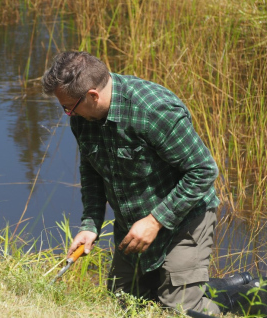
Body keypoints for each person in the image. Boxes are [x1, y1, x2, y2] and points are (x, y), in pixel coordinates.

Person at [41, 51, 265, 315]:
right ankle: (217, 286)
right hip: (134, 224)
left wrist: (155, 221)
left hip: (185, 219)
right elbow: (91, 171)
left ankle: (247, 298)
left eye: (68, 107)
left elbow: (203, 171)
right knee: (124, 306)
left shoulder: (154, 109)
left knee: (179, 310)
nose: (67, 113)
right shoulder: (83, 117)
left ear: (92, 95)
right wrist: (91, 225)